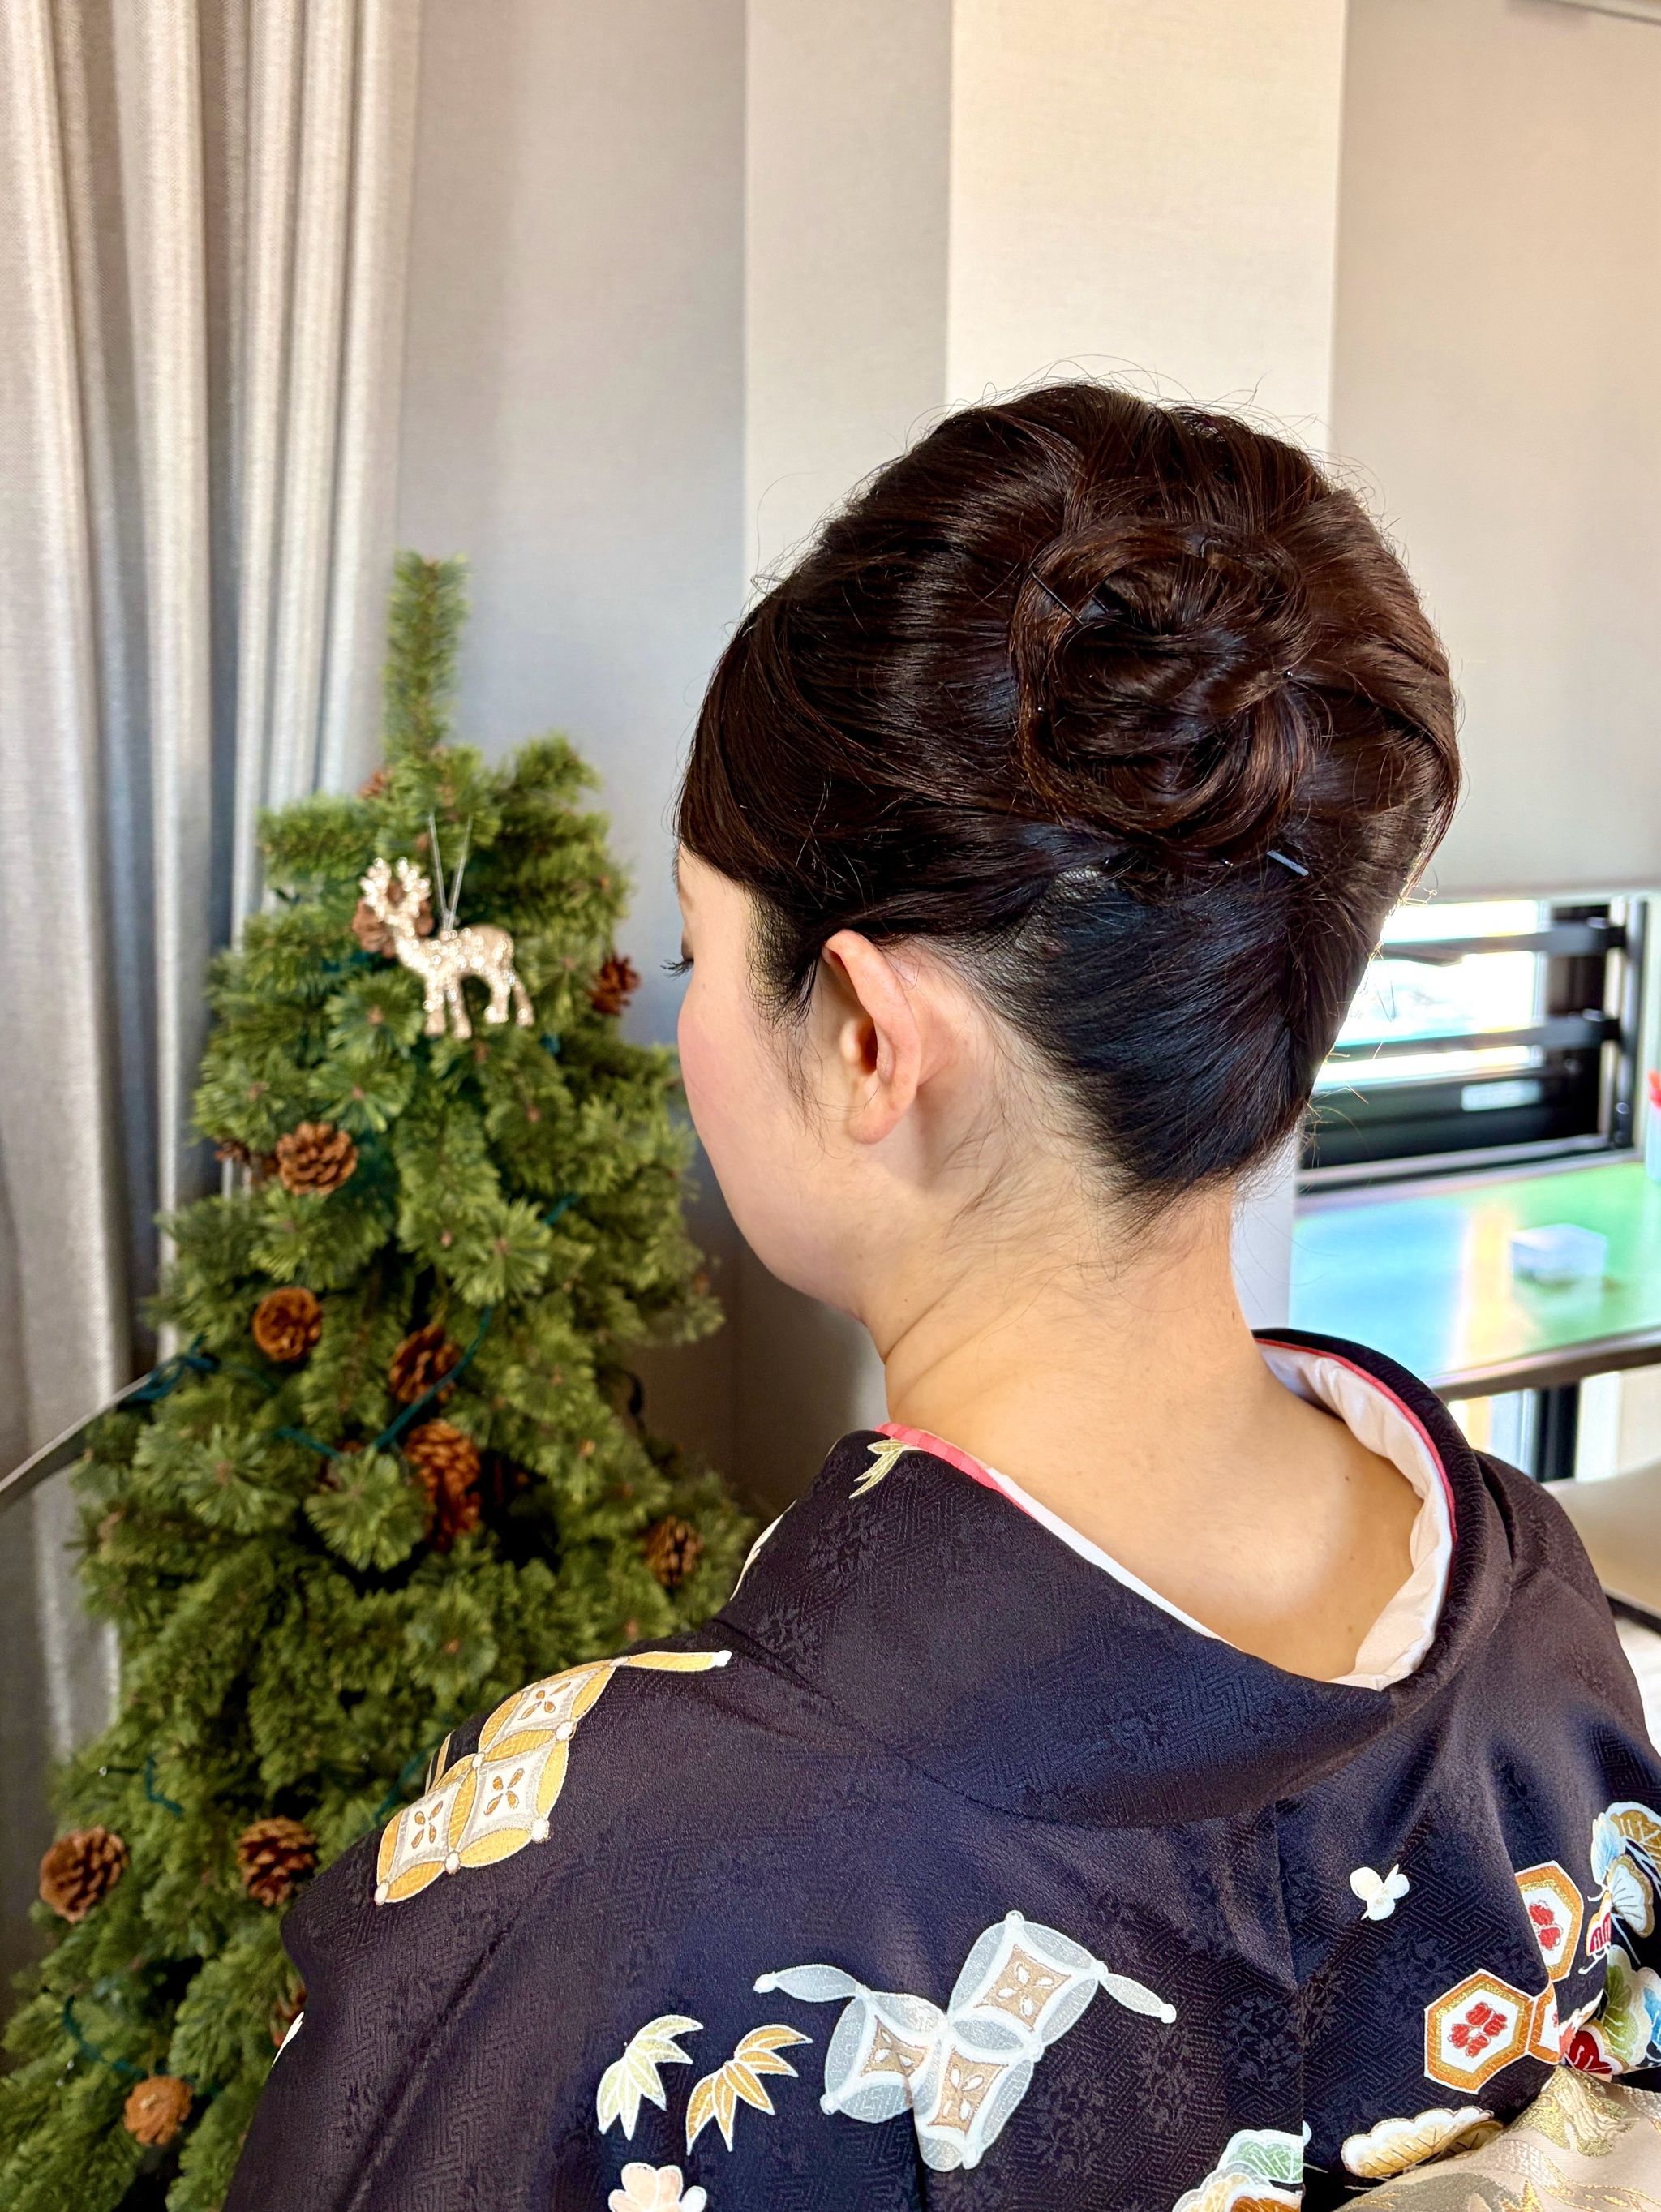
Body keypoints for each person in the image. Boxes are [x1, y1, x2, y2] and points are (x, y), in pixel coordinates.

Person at [226, 384, 1661, 2212]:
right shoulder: (1529, 1602)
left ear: (864, 1036)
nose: (685, 1022)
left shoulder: (608, 1887)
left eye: (694, 948)